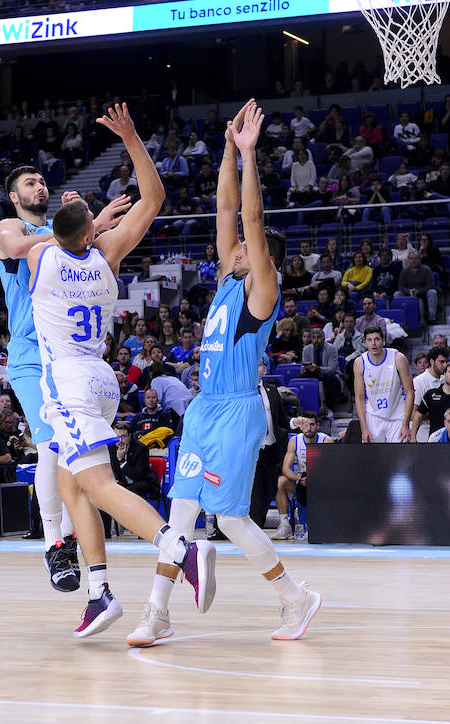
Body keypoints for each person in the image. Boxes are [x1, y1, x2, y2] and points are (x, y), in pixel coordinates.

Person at [129, 98, 320, 649]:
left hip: (238, 409)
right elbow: (224, 211)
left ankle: (294, 597)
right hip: (204, 408)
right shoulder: (226, 282)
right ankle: (158, 613)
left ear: (260, 259)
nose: (231, 245)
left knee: (231, 519)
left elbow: (251, 220)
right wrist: (226, 152)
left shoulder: (262, 288)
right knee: (181, 511)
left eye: (241, 247)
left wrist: (251, 155)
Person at [27, 102, 216, 639]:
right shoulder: (106, 253)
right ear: (90, 231)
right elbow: (153, 198)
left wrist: (84, 218)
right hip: (104, 378)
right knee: (72, 488)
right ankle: (99, 592)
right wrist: (132, 137)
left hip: (66, 380)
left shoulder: (41, 257)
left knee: (99, 487)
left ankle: (180, 547)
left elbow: (44, 235)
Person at [0, 167, 129, 594]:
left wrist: (91, 227)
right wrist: (75, 230)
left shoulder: (64, 231)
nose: (39, 185)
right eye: (29, 182)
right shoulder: (9, 226)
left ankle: (69, 540)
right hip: (32, 357)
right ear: (14, 197)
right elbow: (16, 247)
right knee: (52, 440)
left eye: (41, 180)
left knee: (75, 451)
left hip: (70, 355)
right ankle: (54, 542)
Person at [272, 412, 333, 539]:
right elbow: (285, 468)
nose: (308, 428)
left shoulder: (326, 441)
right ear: (300, 426)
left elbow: (332, 469)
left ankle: (317, 524)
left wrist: (315, 479)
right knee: (280, 482)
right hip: (301, 482)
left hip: (322, 484)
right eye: (305, 425)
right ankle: (285, 525)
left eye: (312, 424)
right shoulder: (294, 441)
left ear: (317, 425)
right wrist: (299, 478)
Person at [353, 326, 414, 443]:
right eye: (369, 340)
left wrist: (406, 423)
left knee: (401, 458)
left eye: (377, 339)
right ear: (365, 343)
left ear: (384, 341)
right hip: (373, 417)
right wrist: (364, 428)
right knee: (374, 459)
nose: (373, 343)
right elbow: (359, 397)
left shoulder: (398, 358)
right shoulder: (360, 363)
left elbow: (410, 391)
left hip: (398, 416)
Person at [250, 356, 291, 528]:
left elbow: (282, 420)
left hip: (271, 450)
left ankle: (257, 526)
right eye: (254, 365)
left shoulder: (271, 390)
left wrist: (296, 423)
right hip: (251, 452)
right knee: (255, 496)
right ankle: (254, 529)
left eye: (260, 365)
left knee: (269, 491)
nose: (258, 368)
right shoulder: (241, 393)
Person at [394, 250, 438, 325]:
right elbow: (401, 286)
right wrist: (409, 291)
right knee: (397, 294)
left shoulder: (426, 270)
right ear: (409, 260)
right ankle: (400, 319)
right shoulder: (405, 271)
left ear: (420, 259)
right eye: (411, 258)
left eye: (416, 258)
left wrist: (419, 291)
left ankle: (431, 318)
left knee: (432, 292)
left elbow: (430, 285)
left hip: (423, 292)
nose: (413, 260)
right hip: (409, 293)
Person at [412, 360, 450, 442]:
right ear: (444, 374)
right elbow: (418, 415)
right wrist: (413, 437)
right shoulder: (431, 394)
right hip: (435, 441)